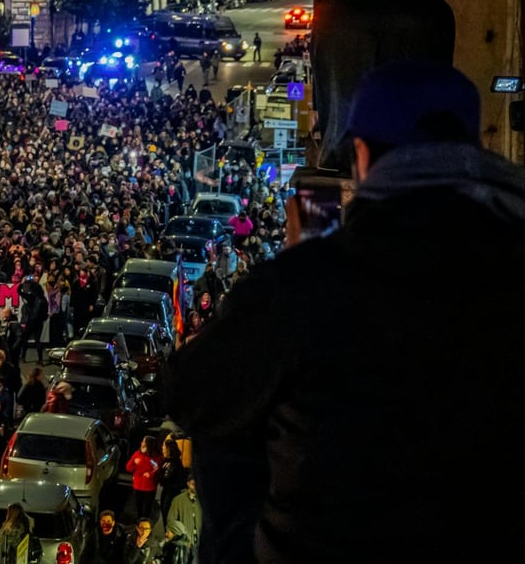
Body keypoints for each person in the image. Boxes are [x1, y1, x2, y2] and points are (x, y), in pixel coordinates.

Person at [165, 60, 525, 564]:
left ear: (361, 154)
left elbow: (193, 392)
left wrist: (292, 272)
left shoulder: (312, 282)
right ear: (475, 146)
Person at [165, 474, 201, 557]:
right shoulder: (178, 500)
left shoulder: (204, 500)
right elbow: (171, 521)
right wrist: (181, 537)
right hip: (185, 544)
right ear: (188, 483)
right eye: (193, 484)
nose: (196, 487)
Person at [125, 436, 160, 521]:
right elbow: (128, 468)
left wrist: (150, 474)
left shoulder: (154, 456)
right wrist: (134, 461)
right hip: (138, 485)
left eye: (144, 442)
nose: (141, 443)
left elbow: (156, 468)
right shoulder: (137, 454)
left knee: (147, 507)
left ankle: (145, 522)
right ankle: (139, 520)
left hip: (149, 487)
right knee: (138, 505)